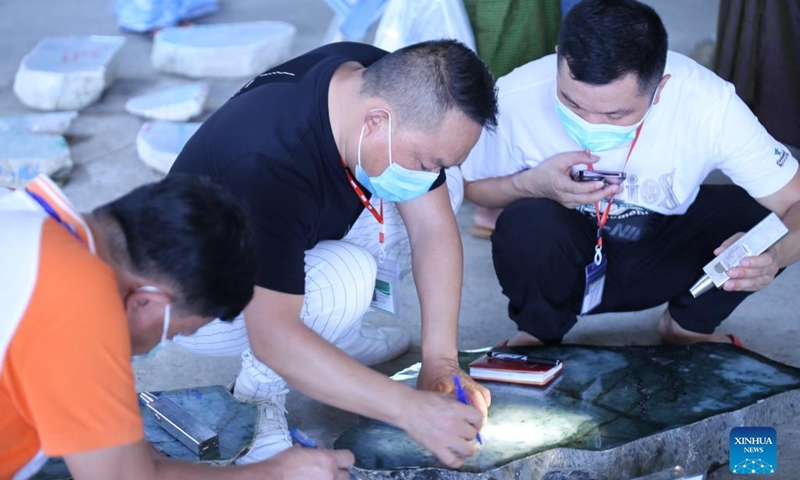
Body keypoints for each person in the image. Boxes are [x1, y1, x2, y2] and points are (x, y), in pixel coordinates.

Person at [169, 39, 498, 467]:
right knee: (345, 280)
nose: (428, 174)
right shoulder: (268, 165)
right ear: (376, 121)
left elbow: (433, 228)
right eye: (424, 161)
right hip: (201, 299)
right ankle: (255, 405)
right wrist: (410, 410)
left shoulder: (379, 76)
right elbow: (272, 337)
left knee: (442, 193)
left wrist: (440, 361)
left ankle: (335, 333)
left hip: (281, 237)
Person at [461, 0, 800, 348]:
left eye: (615, 115)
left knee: (764, 222)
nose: (589, 124)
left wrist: (774, 257)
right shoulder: (517, 94)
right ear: (560, 55)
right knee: (526, 223)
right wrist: (530, 184)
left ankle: (688, 325)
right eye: (571, 103)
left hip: (664, 253)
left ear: (660, 87)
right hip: (568, 256)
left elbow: (796, 201)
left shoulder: (708, 103)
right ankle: (538, 332)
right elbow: (471, 187)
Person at [0, 174, 354, 480]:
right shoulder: (80, 299)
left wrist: (128, 451)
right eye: (173, 332)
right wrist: (275, 472)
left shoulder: (29, 218)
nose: (153, 347)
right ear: (145, 302)